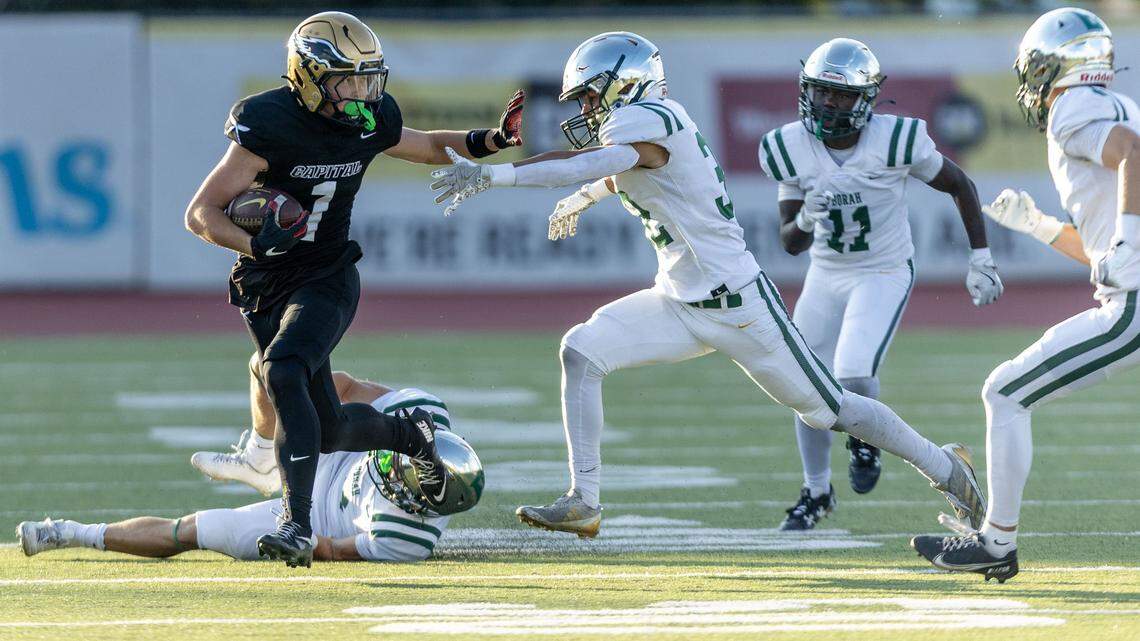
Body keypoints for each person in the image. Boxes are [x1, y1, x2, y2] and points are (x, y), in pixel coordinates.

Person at [428, 31, 985, 540]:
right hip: (678, 301)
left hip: (739, 306)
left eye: (592, 96)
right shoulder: (648, 127)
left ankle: (946, 468)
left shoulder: (650, 119)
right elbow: (621, 170)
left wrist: (494, 174)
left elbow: (593, 161)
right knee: (581, 350)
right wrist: (585, 197)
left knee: (833, 409)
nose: (586, 109)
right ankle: (584, 500)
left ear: (625, 84)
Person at [183, 11, 522, 567]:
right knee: (329, 429)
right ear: (309, 77)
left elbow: (424, 145)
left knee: (282, 369)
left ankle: (296, 525)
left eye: (368, 80)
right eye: (347, 81)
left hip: (327, 274)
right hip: (266, 279)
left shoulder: (368, 118)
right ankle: (411, 437)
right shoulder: (268, 123)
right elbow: (201, 213)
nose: (362, 94)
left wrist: (491, 140)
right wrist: (255, 245)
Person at [913, 7, 1140, 583]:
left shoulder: (1072, 108)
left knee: (1006, 391)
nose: (1032, 85)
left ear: (1059, 67)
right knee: (1007, 392)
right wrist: (1039, 226)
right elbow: (1106, 251)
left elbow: (1134, 157)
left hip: (1134, 306)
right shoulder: (1115, 106)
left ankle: (997, 542)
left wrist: (1130, 244)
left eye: (1036, 69)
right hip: (1131, 291)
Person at [762, 38, 1001, 530]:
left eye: (842, 94)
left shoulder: (896, 140)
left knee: (852, 371)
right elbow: (790, 244)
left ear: (866, 99)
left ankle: (864, 442)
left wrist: (981, 257)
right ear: (807, 90)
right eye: (822, 91)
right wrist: (804, 218)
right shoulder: (787, 147)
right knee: (802, 385)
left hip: (883, 270)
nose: (830, 103)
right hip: (826, 272)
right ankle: (816, 491)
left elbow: (960, 184)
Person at [17, 370, 482, 563]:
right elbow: (341, 386)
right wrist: (304, 418)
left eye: (403, 477)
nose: (394, 469)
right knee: (272, 365)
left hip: (320, 516)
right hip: (335, 449)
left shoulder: (407, 539)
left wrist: (296, 539)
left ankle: (72, 533)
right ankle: (261, 456)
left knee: (192, 531)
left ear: (418, 502)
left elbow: (328, 549)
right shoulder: (421, 414)